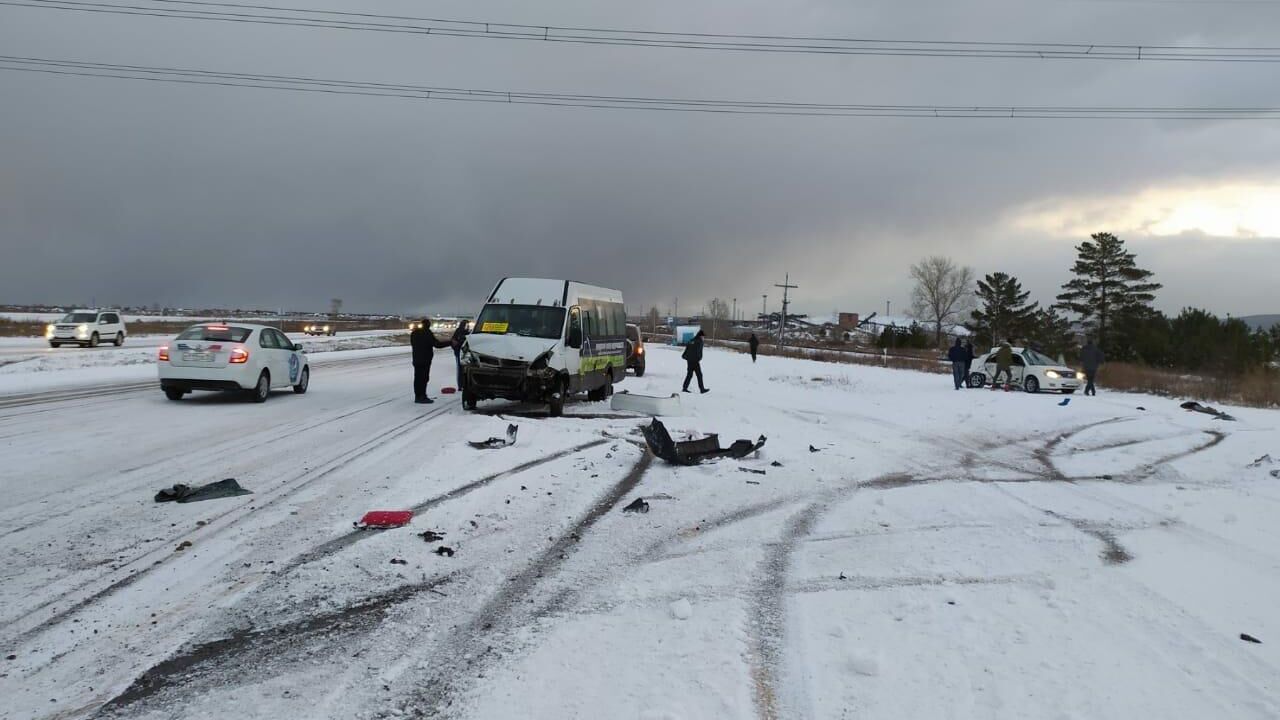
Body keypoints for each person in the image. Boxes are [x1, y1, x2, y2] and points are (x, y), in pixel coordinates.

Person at [410, 318, 451, 404]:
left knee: (417, 378)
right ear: (428, 325)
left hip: (416, 359)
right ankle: (422, 396)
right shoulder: (427, 333)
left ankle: (418, 396)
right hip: (425, 360)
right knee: (424, 379)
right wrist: (450, 342)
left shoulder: (414, 333)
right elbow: (437, 345)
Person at [682, 329, 709, 394]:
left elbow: (687, 349)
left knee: (689, 374)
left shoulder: (691, 340)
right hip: (695, 361)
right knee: (699, 375)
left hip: (689, 360)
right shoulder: (699, 341)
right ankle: (702, 389)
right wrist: (699, 358)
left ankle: (685, 388)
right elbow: (699, 352)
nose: (703, 338)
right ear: (700, 336)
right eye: (703, 336)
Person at [450, 320, 470, 389]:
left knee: (463, 369)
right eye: (467, 325)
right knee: (461, 369)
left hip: (463, 353)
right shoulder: (461, 332)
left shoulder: (464, 332)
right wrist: (457, 348)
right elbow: (453, 341)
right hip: (460, 352)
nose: (468, 326)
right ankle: (461, 385)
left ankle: (462, 385)